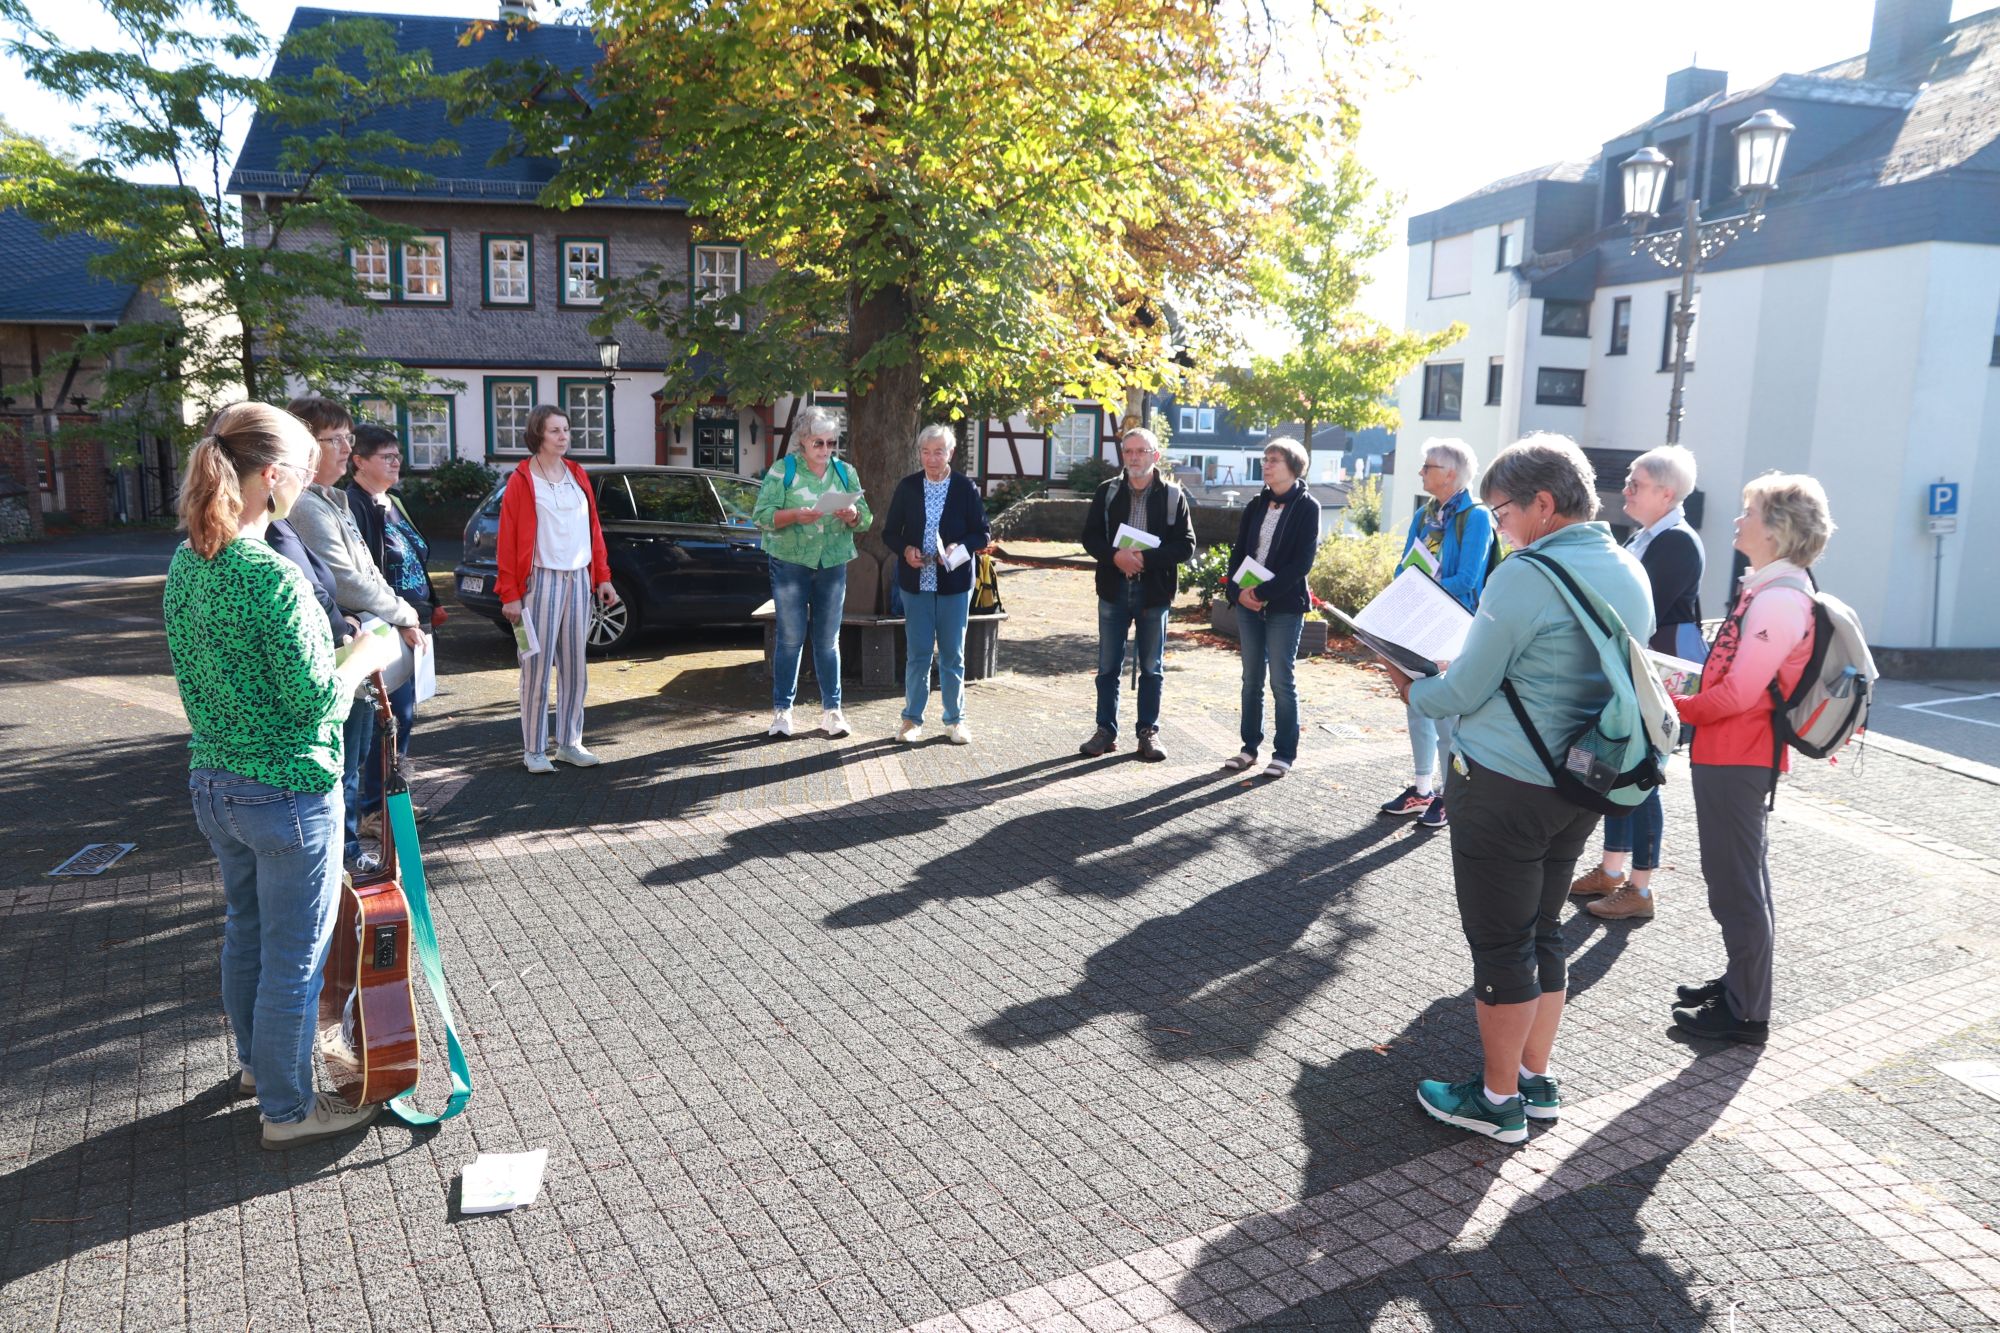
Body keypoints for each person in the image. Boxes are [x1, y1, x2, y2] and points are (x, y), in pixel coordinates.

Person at [1385, 435, 1653, 1144]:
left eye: (1502, 511)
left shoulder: (1526, 573)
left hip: (1503, 783)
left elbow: (1466, 688)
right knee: (1541, 931)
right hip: (1580, 782)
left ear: (1543, 502)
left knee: (1501, 942)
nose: (1497, 524)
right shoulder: (1629, 568)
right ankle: (1533, 1079)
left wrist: (1415, 687)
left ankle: (1496, 1100)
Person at [163, 402, 401, 1149]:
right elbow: (314, 701)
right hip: (288, 791)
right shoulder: (271, 575)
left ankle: (255, 1069)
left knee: (249, 932)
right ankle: (289, 1108)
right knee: (294, 957)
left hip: (216, 782)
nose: (307, 476)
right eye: (301, 464)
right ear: (272, 476)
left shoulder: (188, 560)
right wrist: (367, 656)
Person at [1669, 473, 1833, 1045]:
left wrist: (1673, 705)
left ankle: (1746, 1012)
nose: (1738, 521)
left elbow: (1738, 695)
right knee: (1739, 880)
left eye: (1750, 511)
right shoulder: (1772, 589)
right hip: (1732, 755)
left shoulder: (1780, 598)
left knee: (1735, 884)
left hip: (1738, 756)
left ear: (1778, 528)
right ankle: (1743, 984)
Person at [283, 397, 423, 872]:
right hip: (342, 649)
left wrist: (400, 611)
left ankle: (346, 853)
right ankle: (340, 859)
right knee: (343, 763)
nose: (347, 447)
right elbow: (345, 579)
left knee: (358, 755)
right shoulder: (304, 505)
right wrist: (404, 612)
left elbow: (370, 571)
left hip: (363, 645)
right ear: (304, 445)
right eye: (336, 439)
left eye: (347, 437)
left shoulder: (331, 499)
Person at [1573, 445, 1707, 921]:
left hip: (1660, 678)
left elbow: (1636, 615)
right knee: (1616, 768)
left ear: (1666, 493)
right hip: (1642, 673)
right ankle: (1611, 873)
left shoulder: (1677, 543)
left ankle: (1640, 890)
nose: (1626, 489)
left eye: (1636, 483)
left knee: (1643, 776)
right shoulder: (1649, 536)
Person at [1378, 439, 1495, 829]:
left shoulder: (1475, 517)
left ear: (1450, 473)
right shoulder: (1426, 513)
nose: (1421, 473)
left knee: (1444, 712)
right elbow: (1403, 567)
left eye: (1427, 467)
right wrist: (1409, 585)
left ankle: (1448, 795)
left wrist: (1425, 588)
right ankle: (1421, 788)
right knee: (1417, 706)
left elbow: (1469, 579)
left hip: (1450, 625)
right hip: (1419, 620)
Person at [496, 405, 616, 773]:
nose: (564, 436)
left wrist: (603, 576)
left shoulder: (577, 474)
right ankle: (534, 749)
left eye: (566, 430)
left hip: (578, 578)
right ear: (538, 435)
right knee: (535, 666)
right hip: (540, 581)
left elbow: (592, 529)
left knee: (575, 667)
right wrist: (510, 594)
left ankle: (569, 743)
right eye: (555, 431)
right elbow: (508, 539)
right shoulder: (521, 480)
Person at [750, 406, 870, 738]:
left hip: (832, 563)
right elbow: (761, 516)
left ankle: (832, 712)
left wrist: (851, 516)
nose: (826, 450)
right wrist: (793, 516)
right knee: (790, 639)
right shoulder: (783, 470)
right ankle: (782, 713)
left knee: (828, 641)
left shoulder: (845, 471)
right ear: (802, 440)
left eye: (832, 443)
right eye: (819, 443)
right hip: (790, 563)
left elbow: (867, 519)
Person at [1078, 427, 1196, 761]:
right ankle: (1105, 731)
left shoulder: (1173, 495)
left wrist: (1143, 558)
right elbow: (1090, 537)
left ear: (1155, 456)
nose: (1133, 457)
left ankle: (1148, 732)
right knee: (1107, 667)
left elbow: (1186, 546)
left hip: (1154, 592)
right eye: (1128, 451)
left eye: (1141, 451)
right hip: (1114, 589)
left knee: (1151, 668)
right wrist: (1116, 556)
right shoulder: (1108, 492)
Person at [346, 425, 442, 830]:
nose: (396, 461)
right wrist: (400, 619)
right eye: (386, 456)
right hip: (386, 628)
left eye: (397, 454)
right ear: (359, 462)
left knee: (402, 718)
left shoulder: (394, 501)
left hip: (413, 622)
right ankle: (372, 810)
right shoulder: (356, 505)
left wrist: (430, 606)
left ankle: (390, 803)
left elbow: (415, 557)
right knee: (386, 719)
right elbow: (366, 575)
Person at [1219, 437, 1322, 778]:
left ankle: (1284, 753)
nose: (1265, 464)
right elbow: (1239, 553)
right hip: (1249, 602)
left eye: (1273, 460)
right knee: (1251, 678)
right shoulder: (1255, 504)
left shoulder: (1308, 508)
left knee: (1281, 680)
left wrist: (1262, 592)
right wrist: (1238, 591)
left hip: (1284, 605)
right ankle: (1249, 748)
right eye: (1264, 459)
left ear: (1293, 466)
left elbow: (1301, 564)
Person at [882, 424, 991, 744]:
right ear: (919, 454)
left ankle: (955, 721)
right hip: (916, 582)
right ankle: (911, 721)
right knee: (917, 654)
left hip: (954, 582)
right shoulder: (908, 487)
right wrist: (906, 550)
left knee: (952, 654)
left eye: (939, 452)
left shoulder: (964, 488)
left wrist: (961, 548)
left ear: (951, 454)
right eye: (926, 452)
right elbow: (889, 533)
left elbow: (982, 533)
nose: (931, 458)